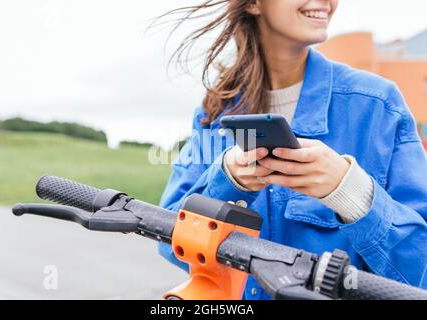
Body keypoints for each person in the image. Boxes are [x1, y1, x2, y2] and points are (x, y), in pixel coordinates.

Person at [157, 0, 427, 299]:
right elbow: (167, 242)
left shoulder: (378, 105)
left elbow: (419, 273)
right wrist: (228, 182)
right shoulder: (216, 110)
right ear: (254, 4)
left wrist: (352, 192)